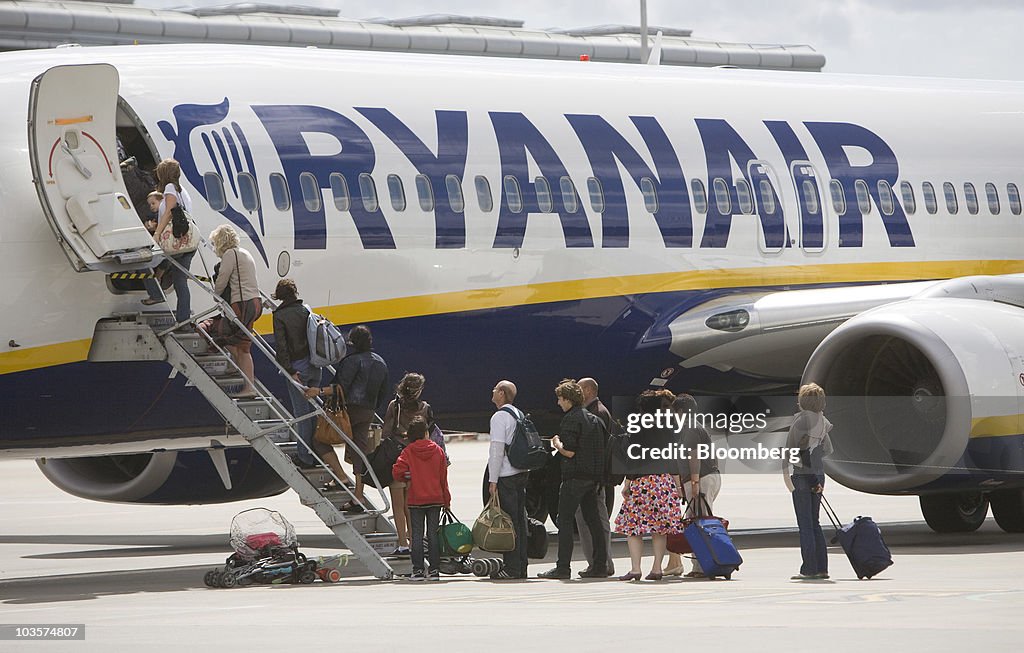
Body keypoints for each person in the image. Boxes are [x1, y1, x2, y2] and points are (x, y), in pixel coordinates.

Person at [271, 279, 356, 496]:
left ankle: (307, 456)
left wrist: (289, 370)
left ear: (279, 296)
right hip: (315, 364)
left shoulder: (280, 316)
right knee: (313, 410)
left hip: (297, 367)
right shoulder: (306, 309)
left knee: (302, 412)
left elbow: (281, 346)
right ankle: (316, 449)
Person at [306, 325, 389, 507]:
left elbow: (339, 388)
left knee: (319, 441)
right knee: (359, 451)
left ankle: (341, 476)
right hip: (368, 411)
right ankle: (358, 495)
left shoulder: (351, 361)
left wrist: (317, 391)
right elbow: (383, 391)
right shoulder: (380, 362)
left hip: (348, 410)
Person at [537, 379, 609, 580]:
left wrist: (557, 443)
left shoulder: (571, 419)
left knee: (565, 521)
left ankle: (563, 567)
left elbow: (569, 452)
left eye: (560, 399)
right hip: (592, 479)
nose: (559, 403)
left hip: (574, 478)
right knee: (594, 522)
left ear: (568, 400)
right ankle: (600, 565)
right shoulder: (595, 419)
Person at [614, 390, 685, 581]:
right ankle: (657, 569)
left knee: (633, 529)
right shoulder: (670, 427)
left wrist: (627, 483)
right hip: (663, 482)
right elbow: (673, 459)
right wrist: (678, 486)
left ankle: (635, 569)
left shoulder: (638, 426)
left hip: (642, 482)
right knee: (660, 529)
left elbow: (633, 459)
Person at [381, 372, 434, 557]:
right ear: (419, 391)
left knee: (397, 505)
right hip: (416, 462)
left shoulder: (394, 406)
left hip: (397, 458)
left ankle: (403, 544)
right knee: (410, 505)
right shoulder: (425, 408)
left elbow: (385, 433)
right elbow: (430, 434)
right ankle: (415, 542)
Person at [785, 382, 834, 581]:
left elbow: (792, 450)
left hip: (803, 475)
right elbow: (829, 450)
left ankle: (808, 569)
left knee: (804, 524)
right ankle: (822, 567)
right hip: (819, 474)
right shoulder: (823, 421)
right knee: (815, 523)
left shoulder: (801, 421)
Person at [392, 417, 450, 581]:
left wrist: (408, 477)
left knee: (416, 535)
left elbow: (397, 471)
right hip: (435, 498)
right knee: (432, 534)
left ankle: (418, 570)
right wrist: (446, 501)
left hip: (415, 499)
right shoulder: (438, 451)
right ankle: (434, 570)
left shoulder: (408, 452)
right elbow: (443, 479)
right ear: (426, 433)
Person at [209, 224, 262, 397]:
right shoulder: (245, 253)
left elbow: (223, 277)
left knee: (237, 344)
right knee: (238, 343)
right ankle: (238, 368)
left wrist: (215, 295)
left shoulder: (230, 255)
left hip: (242, 304)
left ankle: (249, 387)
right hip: (254, 303)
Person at [672, 393, 721, 578]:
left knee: (700, 523)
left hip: (701, 479)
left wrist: (694, 481)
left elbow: (694, 455)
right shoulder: (699, 425)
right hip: (711, 476)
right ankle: (701, 565)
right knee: (700, 522)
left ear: (681, 411)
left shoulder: (689, 428)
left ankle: (703, 566)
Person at [142, 159, 195, 324]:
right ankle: (183, 320)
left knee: (144, 262)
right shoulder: (182, 191)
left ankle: (156, 294)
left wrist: (157, 233)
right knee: (180, 282)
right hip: (186, 243)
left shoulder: (170, 189)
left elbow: (169, 213)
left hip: (174, 243)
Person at [486, 379, 530, 580]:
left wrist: (492, 480)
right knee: (520, 521)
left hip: (505, 475)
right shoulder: (518, 414)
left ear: (502, 393)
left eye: (495, 389)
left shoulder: (499, 417)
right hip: (521, 472)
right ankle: (521, 566)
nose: (492, 392)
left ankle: (511, 568)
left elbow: (496, 450)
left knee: (508, 524)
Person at [575, 377, 615, 577]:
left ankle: (601, 563)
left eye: (580, 389)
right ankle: (600, 562)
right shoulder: (596, 411)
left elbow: (598, 449)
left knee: (596, 521)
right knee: (591, 520)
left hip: (595, 478)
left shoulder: (596, 413)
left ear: (589, 390)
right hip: (596, 476)